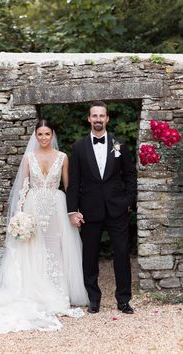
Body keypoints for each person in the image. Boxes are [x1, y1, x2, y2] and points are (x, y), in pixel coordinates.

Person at [0, 120, 88, 334]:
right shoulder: (28, 157)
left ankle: (59, 294)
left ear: (52, 134)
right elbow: (23, 187)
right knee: (33, 249)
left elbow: (69, 186)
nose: (44, 138)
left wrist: (74, 210)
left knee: (56, 249)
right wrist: (20, 215)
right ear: (35, 136)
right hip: (33, 206)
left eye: (47, 134)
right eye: (40, 134)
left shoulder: (63, 157)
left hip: (56, 206)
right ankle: (35, 292)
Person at [66, 101, 137, 315]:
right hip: (89, 211)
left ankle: (123, 300)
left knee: (122, 254)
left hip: (117, 210)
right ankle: (93, 298)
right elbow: (73, 182)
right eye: (94, 115)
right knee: (89, 256)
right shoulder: (78, 147)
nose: (98, 119)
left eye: (102, 116)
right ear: (89, 118)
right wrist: (72, 211)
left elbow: (130, 175)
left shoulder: (119, 143)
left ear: (107, 119)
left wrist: (127, 202)